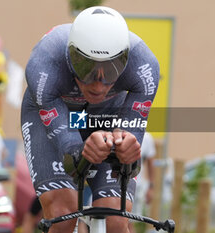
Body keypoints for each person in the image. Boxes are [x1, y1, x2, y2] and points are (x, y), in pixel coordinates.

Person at [20, 6, 159, 233]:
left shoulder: (144, 66)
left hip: (107, 114)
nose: (97, 85)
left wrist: (127, 143)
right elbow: (68, 145)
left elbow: (130, 132)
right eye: (87, 68)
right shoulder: (45, 63)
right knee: (62, 214)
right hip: (59, 113)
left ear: (125, 60)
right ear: (72, 55)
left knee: (116, 218)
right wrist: (76, 148)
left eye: (112, 71)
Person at [129, 132, 156, 233]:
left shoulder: (147, 138)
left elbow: (151, 165)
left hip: (136, 186)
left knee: (128, 222)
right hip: (114, 184)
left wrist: (151, 187)